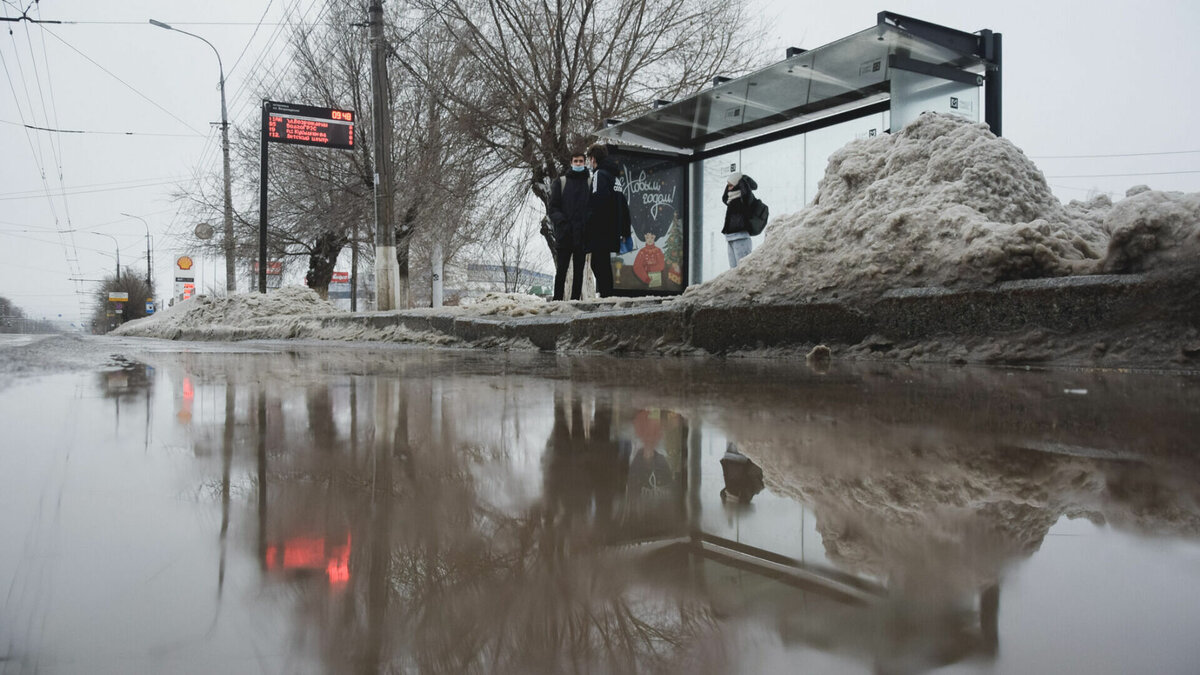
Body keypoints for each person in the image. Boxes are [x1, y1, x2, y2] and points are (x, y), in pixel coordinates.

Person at [547, 152, 591, 300]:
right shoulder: (561, 182)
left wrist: (587, 224)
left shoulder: (590, 182)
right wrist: (563, 223)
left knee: (579, 272)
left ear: (585, 163)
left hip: (583, 235)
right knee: (561, 271)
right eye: (576, 161)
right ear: (571, 163)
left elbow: (594, 208)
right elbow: (553, 208)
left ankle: (574, 302)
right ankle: (557, 301)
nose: (578, 164)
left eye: (581, 161)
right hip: (565, 235)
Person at [585, 143, 620, 297]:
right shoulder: (613, 175)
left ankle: (607, 296)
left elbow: (598, 199)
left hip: (601, 226)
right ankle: (608, 295)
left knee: (598, 263)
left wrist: (589, 221)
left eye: (589, 159)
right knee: (603, 262)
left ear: (593, 158)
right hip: (611, 225)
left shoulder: (599, 174)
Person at [721, 171, 759, 268]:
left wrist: (741, 179)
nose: (728, 188)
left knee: (743, 269)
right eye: (728, 186)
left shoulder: (745, 198)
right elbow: (724, 198)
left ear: (738, 185)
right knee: (733, 270)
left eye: (731, 185)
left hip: (741, 237)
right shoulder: (731, 200)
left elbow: (749, 189)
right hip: (730, 237)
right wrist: (731, 181)